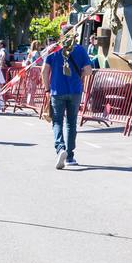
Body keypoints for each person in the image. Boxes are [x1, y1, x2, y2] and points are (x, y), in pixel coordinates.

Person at [42, 22, 93, 169]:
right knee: (71, 123)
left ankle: (60, 148)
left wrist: (47, 89)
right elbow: (89, 70)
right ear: (74, 35)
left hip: (57, 91)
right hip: (75, 90)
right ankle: (70, 156)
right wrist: (80, 76)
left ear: (61, 35)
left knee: (57, 122)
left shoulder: (53, 50)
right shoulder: (80, 50)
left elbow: (44, 71)